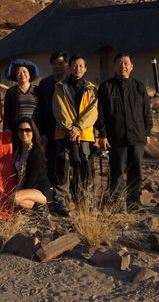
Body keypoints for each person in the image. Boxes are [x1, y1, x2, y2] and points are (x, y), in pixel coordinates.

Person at [95, 53, 153, 210]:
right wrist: (102, 134)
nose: (123, 66)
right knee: (117, 171)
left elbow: (146, 111)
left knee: (136, 171)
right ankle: (116, 204)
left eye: (126, 63)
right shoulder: (106, 86)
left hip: (137, 135)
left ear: (132, 67)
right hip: (116, 136)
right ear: (114, 66)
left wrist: (147, 132)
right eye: (119, 63)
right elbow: (100, 113)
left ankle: (134, 202)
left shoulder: (138, 86)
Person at [52, 55, 98, 207]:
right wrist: (70, 128)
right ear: (69, 67)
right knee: (62, 167)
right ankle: (62, 202)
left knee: (85, 168)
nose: (77, 68)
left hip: (84, 135)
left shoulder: (91, 88)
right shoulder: (60, 87)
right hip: (63, 133)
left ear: (85, 69)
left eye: (80, 66)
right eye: (74, 65)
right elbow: (58, 109)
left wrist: (78, 128)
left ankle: (85, 202)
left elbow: (93, 112)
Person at [33, 51, 70, 214]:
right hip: (49, 131)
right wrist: (42, 133)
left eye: (61, 63)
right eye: (55, 63)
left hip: (66, 132)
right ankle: (49, 199)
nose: (57, 66)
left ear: (66, 65)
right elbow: (40, 110)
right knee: (50, 165)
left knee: (64, 165)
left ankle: (63, 199)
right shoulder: (45, 84)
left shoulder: (70, 82)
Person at [12, 117, 52, 212]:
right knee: (10, 199)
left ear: (33, 132)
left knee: (14, 198)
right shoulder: (17, 151)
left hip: (41, 191)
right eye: (21, 130)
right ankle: (36, 210)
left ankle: (44, 209)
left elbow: (32, 178)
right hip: (27, 190)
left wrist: (21, 192)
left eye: (28, 130)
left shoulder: (36, 152)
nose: (24, 133)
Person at [2, 59, 40, 134]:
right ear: (15, 76)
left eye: (25, 72)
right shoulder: (11, 91)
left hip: (35, 130)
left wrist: (43, 133)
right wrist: (7, 128)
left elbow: (43, 112)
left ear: (29, 74)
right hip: (17, 130)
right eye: (19, 72)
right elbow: (7, 112)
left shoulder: (37, 90)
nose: (22, 74)